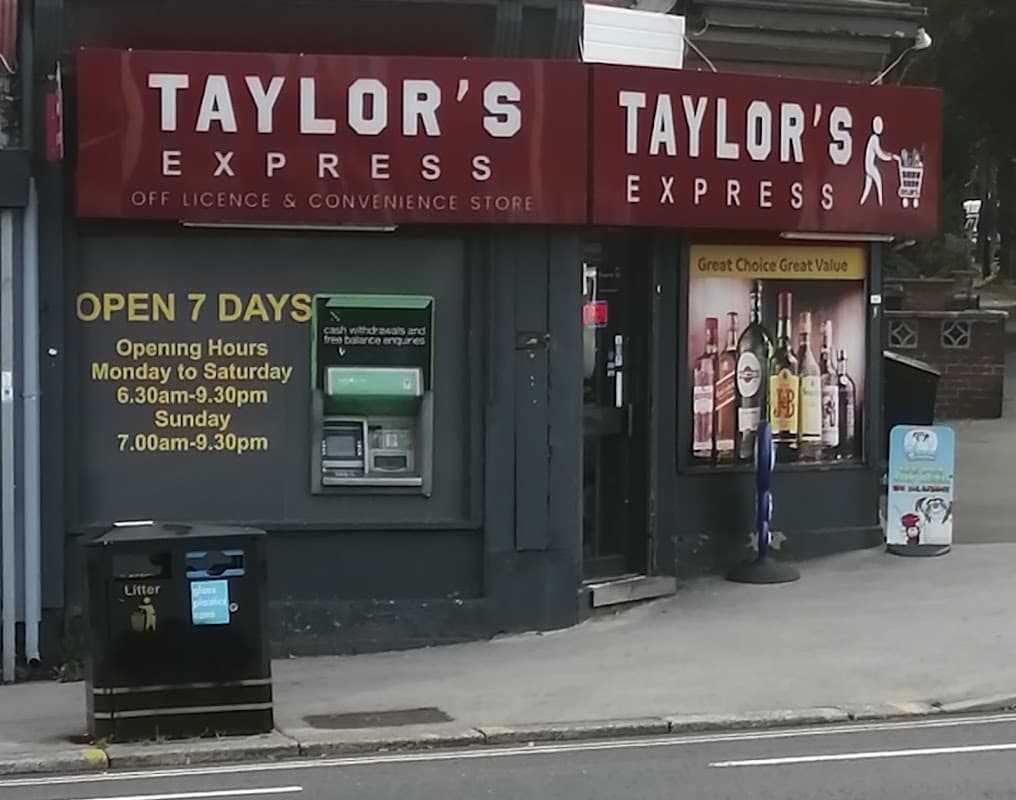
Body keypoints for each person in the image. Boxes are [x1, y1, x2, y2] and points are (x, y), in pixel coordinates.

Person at [860, 116, 895, 207]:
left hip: (868, 166)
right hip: (870, 166)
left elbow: (880, 151)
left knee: (867, 188)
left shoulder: (874, 138)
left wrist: (889, 154)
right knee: (878, 182)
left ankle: (861, 203)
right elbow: (879, 153)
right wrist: (889, 158)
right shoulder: (874, 139)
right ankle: (881, 203)